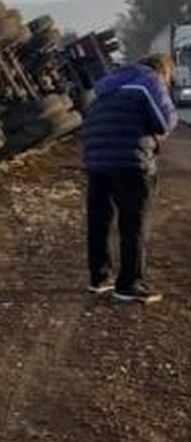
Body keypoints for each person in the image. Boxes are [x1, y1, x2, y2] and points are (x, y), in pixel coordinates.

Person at [82, 53, 178, 304]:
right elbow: (165, 121)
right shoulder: (150, 80)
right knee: (133, 223)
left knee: (99, 222)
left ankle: (99, 278)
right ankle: (129, 284)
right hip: (131, 162)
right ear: (162, 70)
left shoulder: (106, 87)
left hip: (97, 161)